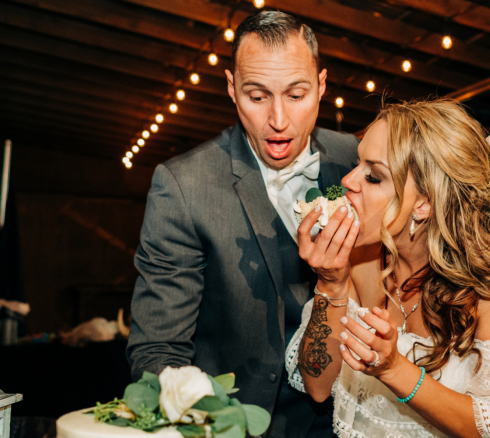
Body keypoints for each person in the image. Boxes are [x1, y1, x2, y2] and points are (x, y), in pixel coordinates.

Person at [127, 10, 360, 438]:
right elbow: (158, 349)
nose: (278, 119)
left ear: (322, 86)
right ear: (232, 90)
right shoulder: (183, 185)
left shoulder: (359, 161)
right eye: (257, 96)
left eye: (296, 94)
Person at [286, 99, 490, 437]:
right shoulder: (358, 265)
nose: (347, 180)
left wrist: (393, 369)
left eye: (373, 176)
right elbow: (317, 384)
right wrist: (330, 285)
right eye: (356, 164)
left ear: (424, 204)